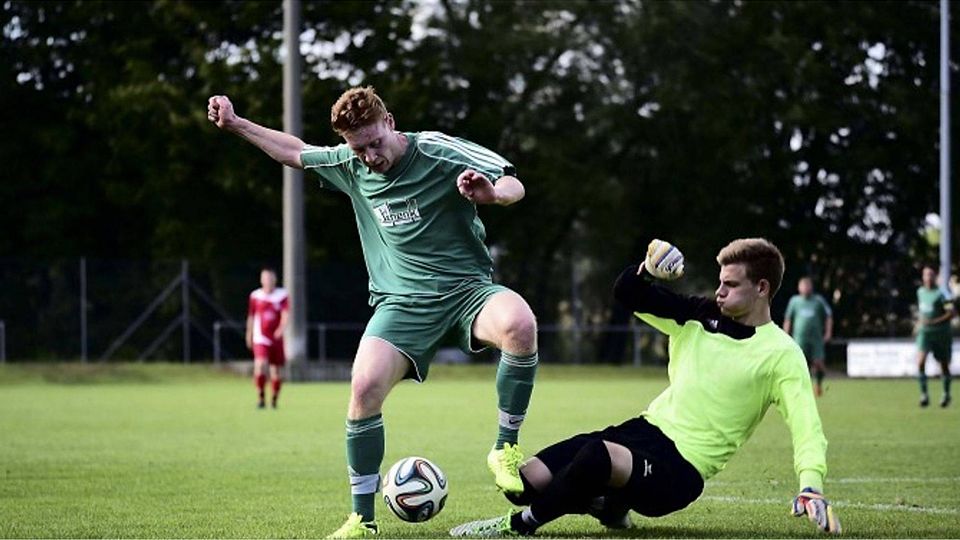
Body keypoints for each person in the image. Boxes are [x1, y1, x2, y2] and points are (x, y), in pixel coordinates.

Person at [208, 87, 539, 538]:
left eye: (374, 143)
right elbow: (295, 151)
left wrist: (493, 195)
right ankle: (362, 521)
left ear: (390, 123)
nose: (368, 156)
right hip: (401, 304)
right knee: (362, 387)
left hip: (466, 291)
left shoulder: (438, 151)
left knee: (520, 323)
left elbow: (512, 180)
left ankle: (505, 449)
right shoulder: (350, 165)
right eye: (357, 148)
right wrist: (237, 123)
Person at [450, 238, 840, 537]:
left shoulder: (782, 354)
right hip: (643, 431)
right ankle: (607, 504)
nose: (719, 291)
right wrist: (647, 268)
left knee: (595, 458)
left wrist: (811, 485)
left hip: (682, 469)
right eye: (720, 282)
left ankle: (518, 526)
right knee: (524, 482)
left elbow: (807, 427)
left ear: (762, 288)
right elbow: (627, 293)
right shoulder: (699, 315)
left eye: (731, 285)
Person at [246, 267, 289, 409]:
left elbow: (285, 315)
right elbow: (251, 317)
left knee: (276, 371)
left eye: (270, 278)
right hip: (260, 338)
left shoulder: (282, 295)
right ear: (261, 280)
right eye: (265, 278)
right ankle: (261, 397)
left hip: (276, 338)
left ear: (274, 280)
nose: (268, 281)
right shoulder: (255, 296)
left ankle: (275, 398)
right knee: (260, 364)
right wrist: (249, 333)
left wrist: (281, 329)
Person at [783, 276, 834, 396]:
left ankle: (818, 385)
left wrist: (828, 332)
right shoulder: (794, 301)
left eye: (807, 286)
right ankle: (801, 388)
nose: (805, 288)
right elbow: (788, 319)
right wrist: (786, 335)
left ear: (811, 287)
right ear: (799, 288)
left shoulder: (818, 300)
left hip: (816, 339)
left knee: (819, 363)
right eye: (803, 286)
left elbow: (828, 316)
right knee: (800, 364)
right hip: (800, 339)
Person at [915, 265, 955, 408]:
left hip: (941, 334)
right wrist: (919, 323)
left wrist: (933, 322)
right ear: (923, 277)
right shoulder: (920, 292)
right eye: (926, 275)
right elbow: (922, 312)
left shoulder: (942, 293)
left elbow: (952, 313)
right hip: (925, 333)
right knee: (920, 362)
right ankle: (924, 395)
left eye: (931, 275)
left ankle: (946, 394)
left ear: (935, 276)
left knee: (944, 365)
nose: (928, 277)